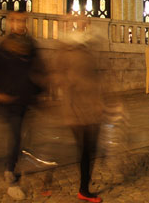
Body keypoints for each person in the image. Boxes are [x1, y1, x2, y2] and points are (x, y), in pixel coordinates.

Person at [0, 12, 44, 200]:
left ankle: (10, 167)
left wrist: (38, 92)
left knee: (16, 136)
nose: (18, 24)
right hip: (5, 98)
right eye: (14, 21)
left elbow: (37, 70)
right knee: (12, 135)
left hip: (22, 99)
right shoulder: (3, 46)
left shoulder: (31, 46)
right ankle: (9, 166)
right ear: (8, 23)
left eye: (21, 20)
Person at [56, 22, 104, 203]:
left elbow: (96, 77)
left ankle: (84, 186)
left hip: (92, 108)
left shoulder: (88, 50)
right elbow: (60, 78)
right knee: (85, 149)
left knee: (90, 149)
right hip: (76, 109)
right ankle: (83, 189)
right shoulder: (66, 52)